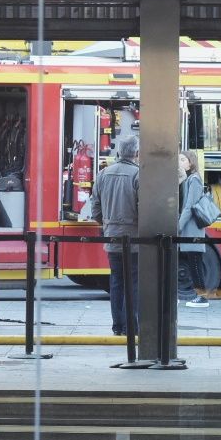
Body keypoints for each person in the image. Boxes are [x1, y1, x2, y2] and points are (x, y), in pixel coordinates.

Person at [84, 134, 140, 337]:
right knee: (133, 281)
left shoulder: (103, 174)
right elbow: (142, 209)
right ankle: (130, 326)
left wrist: (106, 224)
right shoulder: (138, 175)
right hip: (134, 239)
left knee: (116, 281)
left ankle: (117, 325)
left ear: (118, 152)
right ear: (136, 153)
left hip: (112, 237)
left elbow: (95, 208)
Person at [177, 150, 211, 309]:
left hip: (192, 229)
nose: (180, 162)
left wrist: (178, 226)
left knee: (195, 263)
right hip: (190, 228)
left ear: (191, 163)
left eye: (183, 160)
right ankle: (200, 296)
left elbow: (189, 206)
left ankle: (202, 297)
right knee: (193, 263)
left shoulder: (195, 179)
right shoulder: (189, 179)